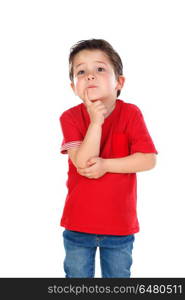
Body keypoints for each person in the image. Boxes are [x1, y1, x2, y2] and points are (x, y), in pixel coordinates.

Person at [59, 39, 158, 278]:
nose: (90, 76)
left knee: (118, 279)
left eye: (100, 69)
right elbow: (83, 163)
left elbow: (148, 159)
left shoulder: (131, 113)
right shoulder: (70, 118)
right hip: (78, 223)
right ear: (74, 87)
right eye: (81, 71)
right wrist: (96, 122)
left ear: (119, 82)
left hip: (119, 225)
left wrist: (106, 165)